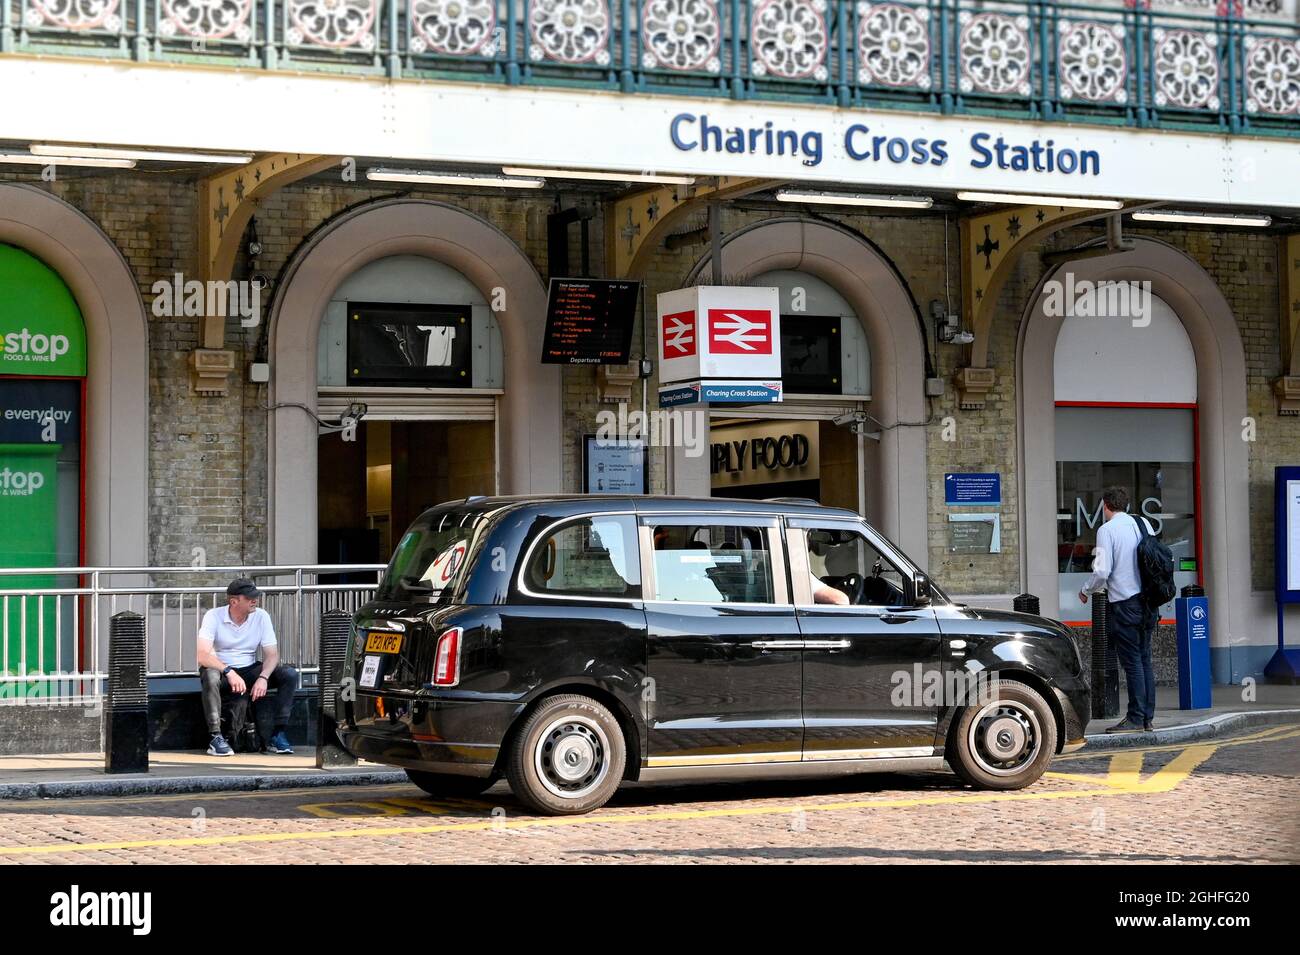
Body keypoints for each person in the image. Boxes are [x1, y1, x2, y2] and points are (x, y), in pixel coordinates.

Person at [1078, 487, 1158, 734]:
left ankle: (1135, 718)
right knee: (1144, 660)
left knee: (1133, 662)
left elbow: (1102, 571)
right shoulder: (1144, 524)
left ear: (1105, 506)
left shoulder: (1107, 530)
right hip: (1149, 602)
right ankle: (1146, 718)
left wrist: (1085, 590)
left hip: (1125, 604)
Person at [197, 578, 299, 756]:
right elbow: (203, 655)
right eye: (249, 598)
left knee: (289, 674)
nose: (255, 601)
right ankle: (216, 737)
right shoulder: (213, 616)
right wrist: (228, 671)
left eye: (256, 597)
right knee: (210, 676)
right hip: (223, 671)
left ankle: (278, 734)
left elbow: (272, 654)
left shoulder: (261, 616)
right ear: (234, 601)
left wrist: (263, 677)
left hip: (250, 669)